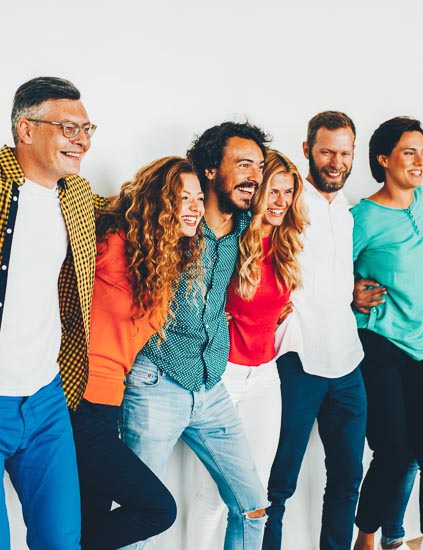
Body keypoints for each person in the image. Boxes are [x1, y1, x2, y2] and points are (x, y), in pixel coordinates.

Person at [120, 121, 270, 550]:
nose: (254, 176)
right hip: (156, 381)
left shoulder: (243, 227)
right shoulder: (174, 219)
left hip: (209, 383)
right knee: (140, 515)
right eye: (242, 164)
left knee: (253, 505)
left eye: (258, 167)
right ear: (208, 169)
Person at [71, 157, 206, 548]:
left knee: (90, 523)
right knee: (157, 510)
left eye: (199, 198)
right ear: (159, 201)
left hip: (108, 405)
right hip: (76, 402)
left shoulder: (161, 264)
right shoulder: (113, 243)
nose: (196, 207)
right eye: (184, 198)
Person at [185, 149, 307, 549]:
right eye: (273, 190)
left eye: (288, 193)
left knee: (255, 498)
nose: (280, 201)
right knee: (214, 498)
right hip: (223, 376)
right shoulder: (231, 240)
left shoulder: (285, 244)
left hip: (265, 375)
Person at [0, 76, 99, 549]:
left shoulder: (75, 195)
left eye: (86, 129)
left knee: (61, 541)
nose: (80, 140)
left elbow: (130, 212)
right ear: (25, 130)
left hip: (44, 398)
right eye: (67, 127)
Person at [263, 111, 367, 550]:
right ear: (307, 150)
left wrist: (354, 292)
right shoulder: (286, 201)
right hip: (298, 362)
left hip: (348, 364)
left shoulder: (344, 211)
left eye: (344, 153)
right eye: (326, 151)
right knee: (277, 484)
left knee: (347, 480)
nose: (336, 161)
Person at [351, 117, 423, 550]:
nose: (420, 160)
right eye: (409, 151)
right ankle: (367, 538)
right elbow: (326, 268)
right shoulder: (363, 216)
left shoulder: (422, 206)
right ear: (383, 159)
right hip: (380, 344)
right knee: (392, 454)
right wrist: (350, 292)